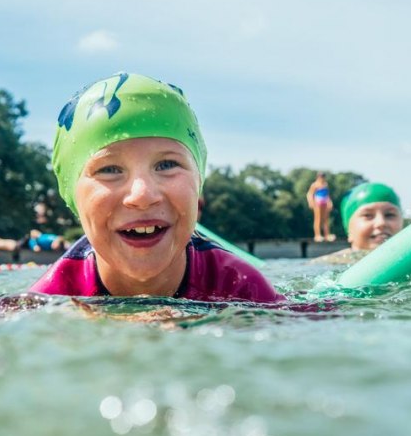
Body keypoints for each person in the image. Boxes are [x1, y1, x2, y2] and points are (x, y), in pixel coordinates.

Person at [28, 72, 285, 303]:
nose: (142, 195)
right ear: (72, 195)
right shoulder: (49, 302)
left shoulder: (242, 288)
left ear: (198, 182)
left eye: (167, 165)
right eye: (109, 169)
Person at [340, 182, 404, 250]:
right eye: (368, 215)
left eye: (389, 215)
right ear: (349, 230)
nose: (381, 223)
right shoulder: (337, 257)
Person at [306, 172, 335, 242]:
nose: (322, 178)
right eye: (321, 177)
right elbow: (309, 194)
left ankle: (327, 235)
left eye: (323, 177)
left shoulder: (325, 184)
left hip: (325, 202)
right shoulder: (314, 185)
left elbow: (327, 195)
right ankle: (317, 235)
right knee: (318, 219)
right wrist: (311, 202)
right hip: (317, 203)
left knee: (326, 220)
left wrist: (330, 202)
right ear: (318, 177)